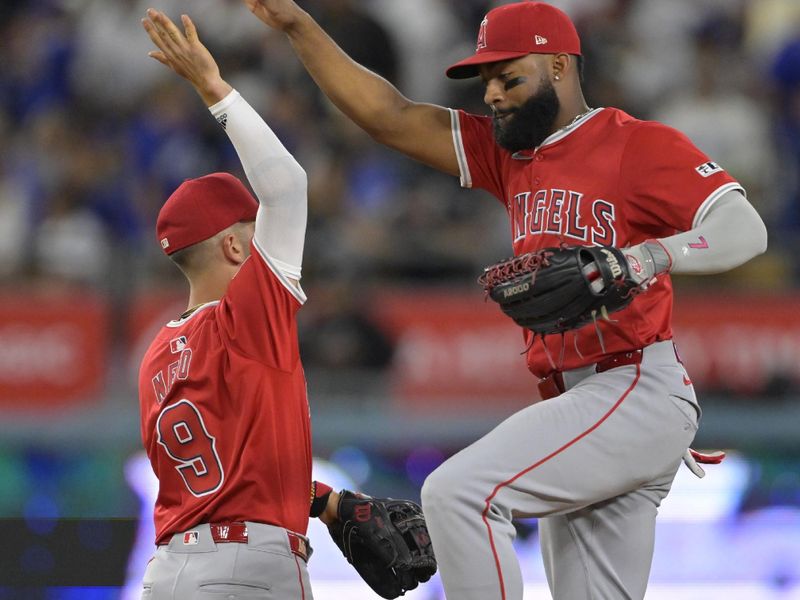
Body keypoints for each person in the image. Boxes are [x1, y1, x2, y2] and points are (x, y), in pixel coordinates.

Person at [242, 1, 768, 599]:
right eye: (486, 79)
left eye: (509, 76)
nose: (492, 94)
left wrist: (641, 257)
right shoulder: (507, 155)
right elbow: (386, 115)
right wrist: (298, 27)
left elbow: (743, 228)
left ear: (561, 67)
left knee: (459, 492)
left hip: (632, 386)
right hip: (589, 404)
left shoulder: (634, 145)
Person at [138, 9, 338, 598]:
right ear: (231, 244)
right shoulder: (247, 317)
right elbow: (289, 186)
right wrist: (213, 87)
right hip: (248, 569)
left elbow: (234, 467)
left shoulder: (156, 353)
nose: (268, 242)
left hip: (168, 572)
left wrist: (326, 502)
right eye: (254, 231)